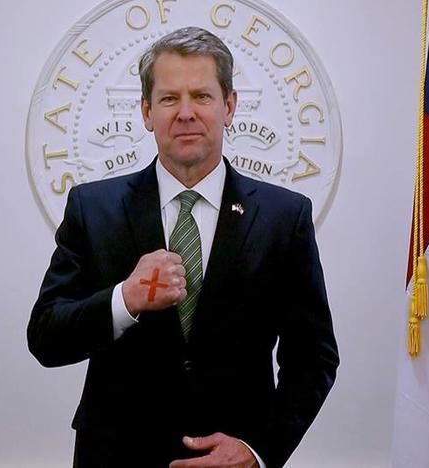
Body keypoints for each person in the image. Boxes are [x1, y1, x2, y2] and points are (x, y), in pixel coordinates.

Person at [27, 26, 339, 468]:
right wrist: (124, 300)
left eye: (202, 97)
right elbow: (45, 337)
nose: (186, 113)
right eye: (170, 99)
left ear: (229, 107)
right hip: (116, 456)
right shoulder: (92, 208)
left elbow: (314, 356)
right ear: (146, 111)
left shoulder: (283, 217)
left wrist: (258, 449)